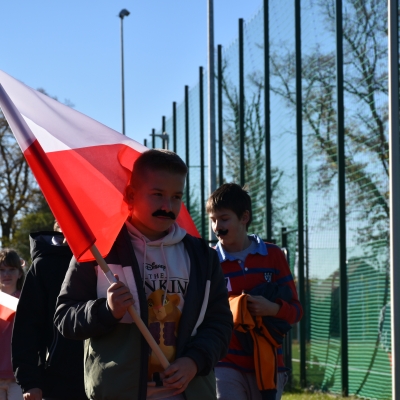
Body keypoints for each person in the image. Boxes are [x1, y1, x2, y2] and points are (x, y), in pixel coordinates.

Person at [54, 149, 233, 400]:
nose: (167, 206)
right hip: (118, 394)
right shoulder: (99, 250)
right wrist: (107, 310)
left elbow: (220, 323)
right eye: (157, 194)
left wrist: (195, 360)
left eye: (176, 197)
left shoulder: (202, 256)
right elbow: (64, 317)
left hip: (188, 392)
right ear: (131, 195)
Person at [206, 183, 303, 400]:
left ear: (244, 217)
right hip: (225, 362)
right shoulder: (209, 260)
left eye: (224, 219)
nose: (217, 227)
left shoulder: (273, 255)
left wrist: (272, 309)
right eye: (213, 220)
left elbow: (297, 311)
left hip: (269, 364)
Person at [11, 223, 87, 400]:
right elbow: (27, 326)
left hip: (109, 376)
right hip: (59, 379)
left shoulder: (109, 262)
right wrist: (30, 381)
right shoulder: (44, 264)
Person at [0, 249, 24, 400]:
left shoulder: (27, 301)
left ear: (19, 273)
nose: (6, 274)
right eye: (2, 270)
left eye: (11, 269)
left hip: (19, 377)